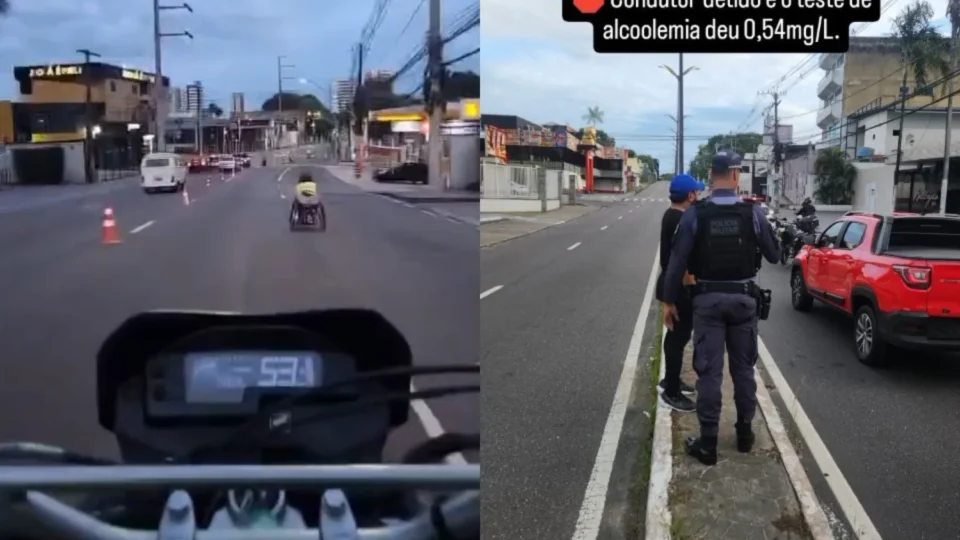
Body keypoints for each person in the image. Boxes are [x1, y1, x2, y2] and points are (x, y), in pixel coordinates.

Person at [662, 150, 780, 466]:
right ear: (736, 174)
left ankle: (709, 444)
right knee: (743, 370)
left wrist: (669, 301)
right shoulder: (752, 213)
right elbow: (774, 255)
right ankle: (744, 436)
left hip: (707, 303)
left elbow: (676, 265)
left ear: (711, 175)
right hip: (744, 301)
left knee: (709, 372)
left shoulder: (694, 214)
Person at [656, 173, 704, 414]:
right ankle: (671, 391)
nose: (699, 195)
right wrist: (683, 288)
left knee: (676, 337)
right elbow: (680, 260)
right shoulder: (679, 220)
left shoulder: (672, 215)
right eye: (697, 191)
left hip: (673, 285)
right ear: (690, 195)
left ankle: (670, 381)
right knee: (677, 338)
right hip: (679, 287)